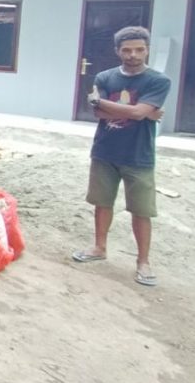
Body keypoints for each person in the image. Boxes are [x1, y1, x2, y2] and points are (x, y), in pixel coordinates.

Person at [72, 26, 171, 287]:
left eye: (139, 49)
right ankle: (99, 247)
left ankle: (143, 261)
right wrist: (142, 112)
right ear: (117, 51)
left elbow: (129, 112)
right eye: (127, 50)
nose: (133, 55)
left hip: (139, 155)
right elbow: (99, 113)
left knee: (141, 210)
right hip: (105, 151)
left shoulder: (158, 81)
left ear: (147, 50)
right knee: (102, 202)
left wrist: (100, 102)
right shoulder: (105, 77)